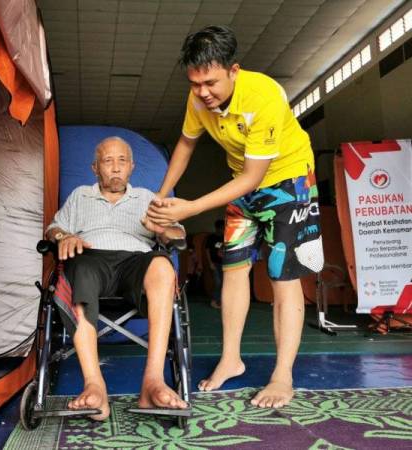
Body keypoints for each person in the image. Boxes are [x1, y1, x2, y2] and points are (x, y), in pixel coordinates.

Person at [146, 25, 324, 409]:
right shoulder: (198, 100)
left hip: (288, 181)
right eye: (194, 84)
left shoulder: (263, 97)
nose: (202, 92)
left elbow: (255, 177)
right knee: (234, 268)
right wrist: (161, 200)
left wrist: (190, 207)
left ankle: (282, 375)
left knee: (282, 275)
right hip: (241, 180)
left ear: (234, 70)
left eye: (210, 82)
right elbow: (185, 144)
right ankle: (231, 359)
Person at [45, 136, 189, 421]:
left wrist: (161, 230)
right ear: (95, 168)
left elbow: (179, 236)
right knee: (75, 266)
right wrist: (64, 236)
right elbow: (54, 228)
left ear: (132, 167)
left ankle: (153, 382)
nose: (115, 168)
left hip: (136, 263)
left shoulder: (148, 198)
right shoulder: (80, 195)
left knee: (162, 266)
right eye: (107, 161)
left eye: (122, 161)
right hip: (90, 259)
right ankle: (94, 385)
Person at [205, 219, 225, 309]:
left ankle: (220, 301)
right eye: (221, 228)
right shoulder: (211, 237)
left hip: (223, 263)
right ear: (217, 228)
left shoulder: (224, 237)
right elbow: (207, 250)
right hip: (214, 263)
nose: (222, 230)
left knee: (223, 283)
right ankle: (214, 301)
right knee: (218, 282)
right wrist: (210, 263)